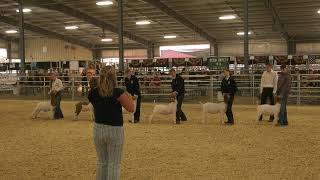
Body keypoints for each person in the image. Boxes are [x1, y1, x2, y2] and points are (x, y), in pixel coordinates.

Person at [88, 66, 134, 180]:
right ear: (114, 77)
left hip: (98, 128)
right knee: (114, 164)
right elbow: (131, 108)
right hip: (115, 129)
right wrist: (129, 96)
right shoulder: (118, 92)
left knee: (101, 162)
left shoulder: (93, 92)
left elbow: (95, 104)